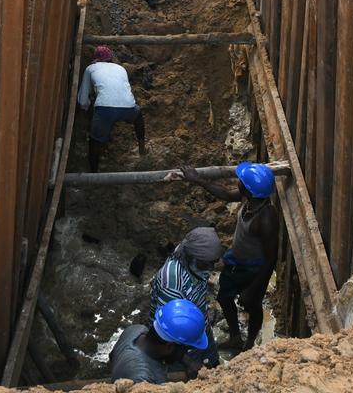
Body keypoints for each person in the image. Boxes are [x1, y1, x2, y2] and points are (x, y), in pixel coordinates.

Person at [180, 162, 278, 352]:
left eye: (241, 182)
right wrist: (198, 180)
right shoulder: (250, 200)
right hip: (236, 261)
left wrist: (252, 288)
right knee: (224, 298)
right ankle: (235, 337)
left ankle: (249, 344)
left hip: (254, 268)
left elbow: (270, 259)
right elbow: (225, 194)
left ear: (249, 190)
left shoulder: (266, 220)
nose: (238, 183)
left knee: (253, 305)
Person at [150, 226, 224, 367]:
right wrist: (189, 362)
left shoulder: (191, 253)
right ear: (191, 258)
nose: (211, 268)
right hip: (179, 339)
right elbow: (170, 333)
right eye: (206, 264)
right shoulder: (172, 283)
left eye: (214, 262)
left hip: (198, 322)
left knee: (213, 363)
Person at [108, 299, 209, 384]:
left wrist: (189, 362)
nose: (186, 353)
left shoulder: (135, 330)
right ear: (169, 347)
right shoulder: (142, 380)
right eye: (185, 350)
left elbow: (112, 356)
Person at [77, 45, 145, 172]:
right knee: (138, 115)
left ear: (95, 58)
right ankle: (142, 149)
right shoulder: (121, 68)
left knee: (94, 141)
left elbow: (82, 100)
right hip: (129, 107)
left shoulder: (90, 68)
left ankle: (93, 173)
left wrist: (86, 111)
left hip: (105, 110)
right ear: (111, 58)